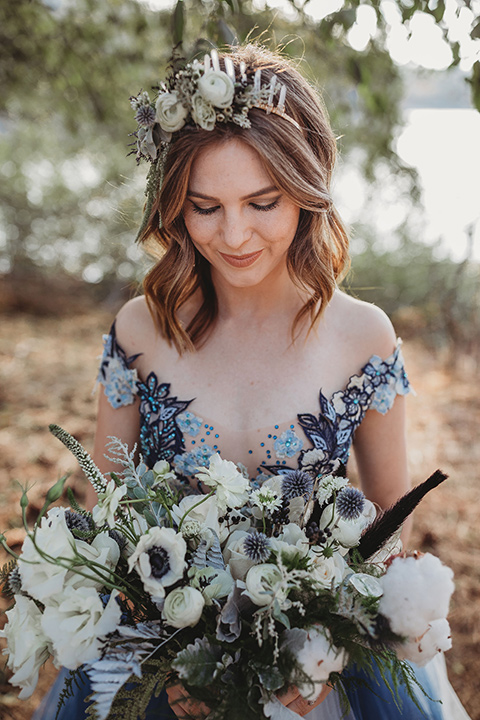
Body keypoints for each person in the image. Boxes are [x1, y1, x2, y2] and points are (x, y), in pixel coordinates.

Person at [35, 44, 470, 720]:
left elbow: (388, 529)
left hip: (320, 659)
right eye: (204, 207)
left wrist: (326, 653)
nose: (233, 234)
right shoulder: (140, 330)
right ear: (175, 207)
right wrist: (165, 654)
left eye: (262, 202)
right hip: (156, 647)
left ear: (306, 187)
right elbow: (108, 513)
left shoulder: (364, 336)